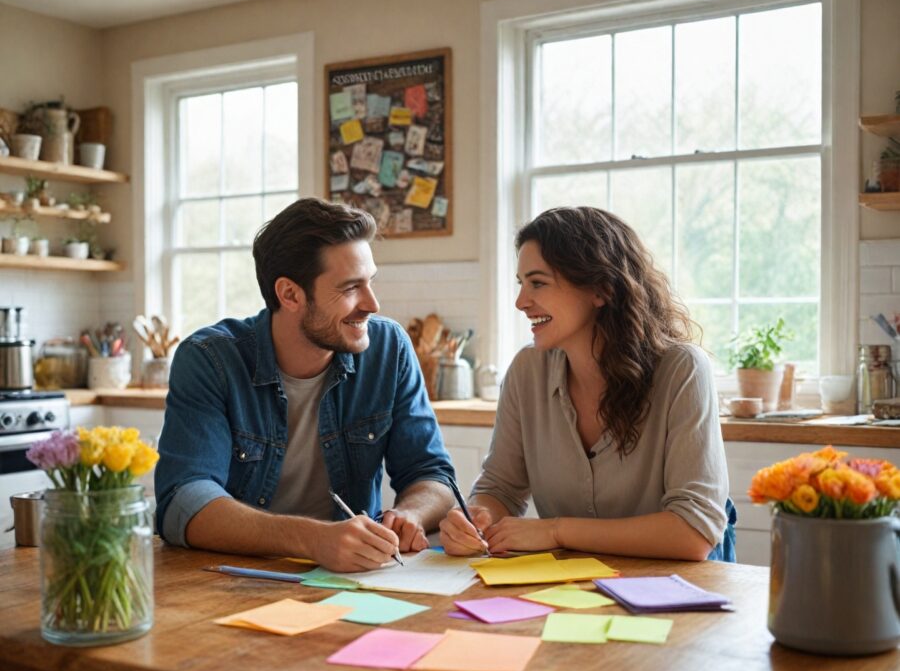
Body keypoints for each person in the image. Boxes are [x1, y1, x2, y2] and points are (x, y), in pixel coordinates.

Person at [155, 198, 456, 572]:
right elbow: (185, 502)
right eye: (350, 288)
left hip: (354, 578)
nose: (372, 304)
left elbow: (433, 475)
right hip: (236, 579)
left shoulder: (388, 348)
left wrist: (410, 514)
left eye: (370, 282)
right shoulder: (209, 359)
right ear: (290, 294)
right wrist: (313, 540)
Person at [440, 206, 736, 562]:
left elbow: (693, 532)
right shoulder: (526, 371)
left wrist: (554, 530)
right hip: (572, 591)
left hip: (674, 589)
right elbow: (500, 488)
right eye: (521, 284)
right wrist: (477, 518)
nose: (521, 302)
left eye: (538, 283)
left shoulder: (682, 370)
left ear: (601, 289)